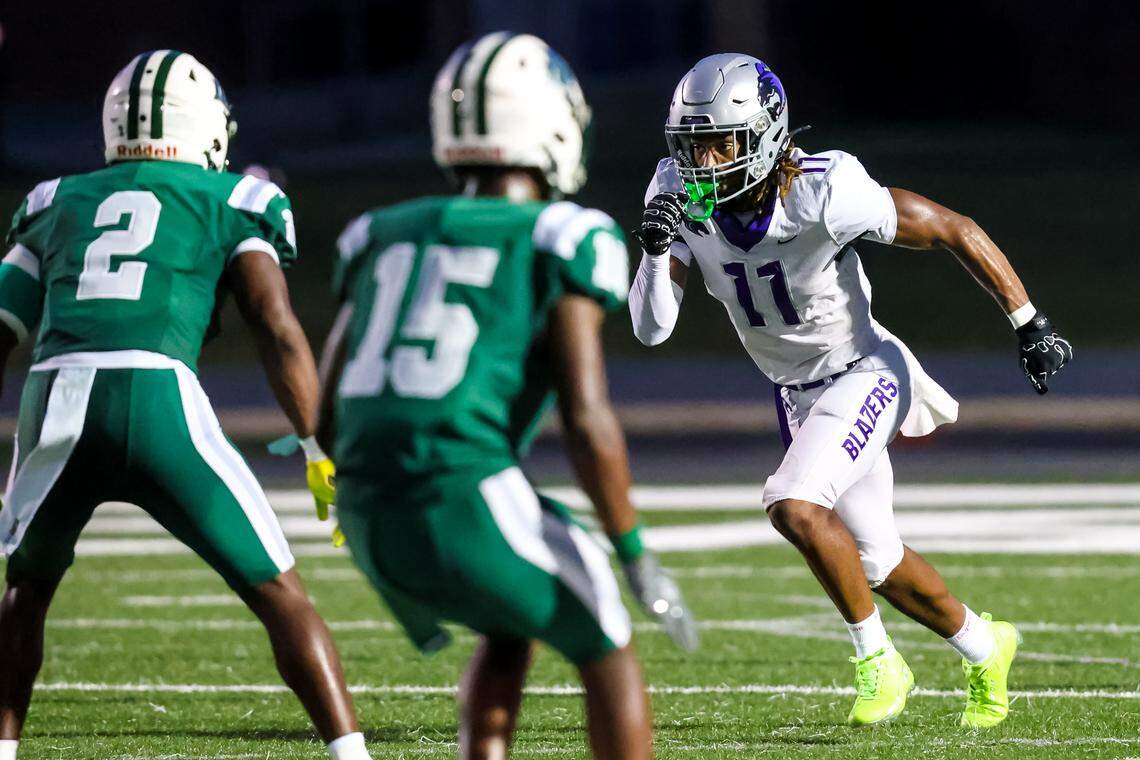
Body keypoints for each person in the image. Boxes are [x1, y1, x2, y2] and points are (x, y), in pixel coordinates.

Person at [629, 53, 1072, 728]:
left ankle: (877, 661)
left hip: (866, 372)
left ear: (764, 135)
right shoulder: (676, 192)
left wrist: (1029, 322)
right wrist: (657, 249)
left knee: (793, 504)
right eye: (691, 146)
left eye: (720, 143)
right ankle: (987, 646)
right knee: (876, 562)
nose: (702, 163)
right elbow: (652, 329)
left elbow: (953, 229)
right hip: (795, 392)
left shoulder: (824, 189)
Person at [319, 33, 697, 760]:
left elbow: (327, 409)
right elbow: (586, 419)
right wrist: (634, 552)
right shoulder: (562, 234)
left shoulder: (382, 232)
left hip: (364, 509)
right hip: (460, 491)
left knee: (508, 621)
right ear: (552, 122)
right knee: (607, 635)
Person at [0, 51, 370, 760]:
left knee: (26, 589)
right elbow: (273, 323)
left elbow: (0, 327)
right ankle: (351, 755)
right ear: (205, 125)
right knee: (278, 591)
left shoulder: (54, 201)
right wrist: (317, 444)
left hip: (56, 397)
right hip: (158, 396)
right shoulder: (236, 198)